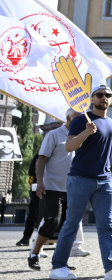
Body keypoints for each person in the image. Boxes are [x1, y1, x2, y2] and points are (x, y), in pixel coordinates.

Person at [48, 87, 112, 280]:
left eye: (108, 95)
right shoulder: (80, 120)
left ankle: (111, 268)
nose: (104, 98)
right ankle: (58, 267)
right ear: (92, 98)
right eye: (100, 95)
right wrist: (86, 133)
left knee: (107, 226)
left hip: (104, 182)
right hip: (80, 179)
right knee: (72, 223)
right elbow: (69, 147)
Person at [27, 111, 78, 271]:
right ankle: (34, 254)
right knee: (52, 221)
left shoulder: (81, 135)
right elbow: (41, 159)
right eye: (77, 118)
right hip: (52, 187)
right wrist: (40, 182)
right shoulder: (54, 135)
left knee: (68, 226)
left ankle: (61, 260)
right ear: (68, 118)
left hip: (72, 189)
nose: (81, 121)